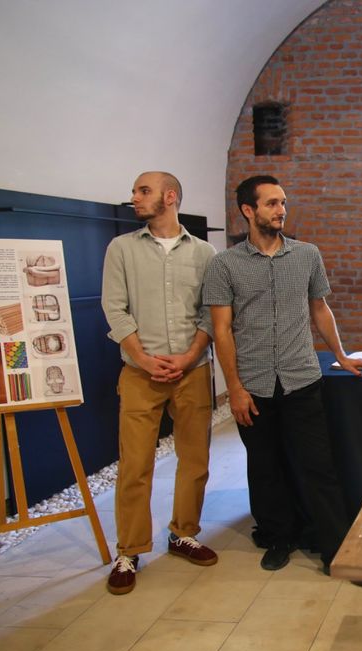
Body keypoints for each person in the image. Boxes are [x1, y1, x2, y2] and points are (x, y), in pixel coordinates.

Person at [203, 175, 362, 586]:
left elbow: (320, 309)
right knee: (265, 467)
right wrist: (234, 389)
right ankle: (278, 538)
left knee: (319, 467)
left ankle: (336, 549)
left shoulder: (307, 255)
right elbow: (221, 331)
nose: (281, 210)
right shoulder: (224, 264)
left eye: (283, 202)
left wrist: (341, 355)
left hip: (301, 379)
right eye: (271, 203)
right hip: (254, 384)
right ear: (248, 210)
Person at [101, 171, 218, 595]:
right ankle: (129, 550)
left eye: (143, 190)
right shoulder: (121, 249)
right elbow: (115, 309)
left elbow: (211, 310)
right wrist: (144, 359)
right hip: (139, 373)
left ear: (170, 197)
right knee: (134, 464)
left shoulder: (205, 252)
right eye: (135, 190)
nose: (134, 197)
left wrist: (188, 357)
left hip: (193, 370)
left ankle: (183, 533)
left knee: (195, 460)